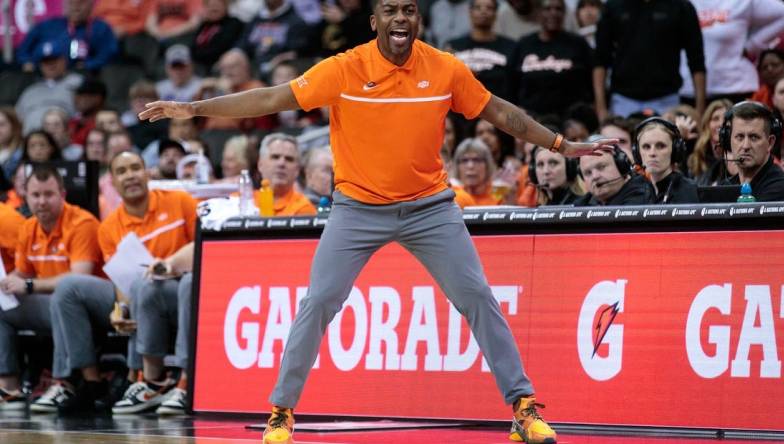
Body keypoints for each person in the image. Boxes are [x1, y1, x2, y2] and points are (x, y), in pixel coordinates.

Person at [139, 0, 615, 440]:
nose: (401, 18)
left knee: (477, 297)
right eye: (390, 10)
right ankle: (281, 411)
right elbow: (269, 99)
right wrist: (195, 109)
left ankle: (524, 408)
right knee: (320, 300)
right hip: (357, 208)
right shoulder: (345, 68)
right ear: (375, 22)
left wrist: (560, 145)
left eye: (409, 9)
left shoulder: (445, 68)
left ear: (420, 20)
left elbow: (502, 114)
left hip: (430, 207)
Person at [48, 151, 197, 415]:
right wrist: (122, 311)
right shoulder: (109, 228)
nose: (130, 176)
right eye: (122, 171)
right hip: (138, 292)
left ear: (147, 173)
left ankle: (152, 380)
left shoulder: (180, 202)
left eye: (135, 168)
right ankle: (89, 382)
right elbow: (121, 278)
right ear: (112, 183)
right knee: (70, 288)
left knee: (148, 286)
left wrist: (172, 263)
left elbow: (202, 245)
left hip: (178, 289)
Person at [0, 166, 102, 412]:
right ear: (26, 198)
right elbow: (23, 272)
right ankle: (8, 386)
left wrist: (29, 285)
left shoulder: (82, 222)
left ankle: (63, 381)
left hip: (89, 305)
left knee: (64, 294)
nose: (42, 201)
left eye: (49, 194)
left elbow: (80, 277)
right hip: (47, 302)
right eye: (36, 195)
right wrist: (6, 283)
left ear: (63, 194)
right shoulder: (28, 227)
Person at [593, 0, 706, 120]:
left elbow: (696, 61)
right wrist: (601, 108)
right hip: (623, 99)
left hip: (667, 100)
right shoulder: (613, 6)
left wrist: (700, 109)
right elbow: (600, 60)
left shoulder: (681, 6)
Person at [679, 0, 784, 106]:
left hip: (735, 88)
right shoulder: (683, 3)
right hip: (687, 90)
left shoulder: (744, 2)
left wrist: (750, 46)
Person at [512, 0, 593, 118]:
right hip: (531, 118)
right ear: (539, 13)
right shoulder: (524, 45)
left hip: (571, 118)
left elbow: (591, 80)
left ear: (564, 13)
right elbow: (511, 83)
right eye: (547, 9)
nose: (553, 13)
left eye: (558, 9)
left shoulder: (578, 44)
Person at [16, 0, 118, 73]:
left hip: (81, 76)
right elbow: (23, 49)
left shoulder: (100, 28)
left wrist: (88, 65)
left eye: (81, 3)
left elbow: (108, 55)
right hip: (41, 75)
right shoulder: (47, 25)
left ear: (91, 4)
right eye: (71, 3)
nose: (76, 7)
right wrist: (26, 62)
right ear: (64, 4)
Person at [446, 0, 518, 102]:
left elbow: (514, 86)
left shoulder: (511, 46)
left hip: (497, 110)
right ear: (470, 12)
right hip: (459, 112)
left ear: (496, 13)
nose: (483, 11)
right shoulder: (453, 46)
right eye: (478, 7)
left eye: (489, 8)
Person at [720, 101, 784, 201]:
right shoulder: (724, 187)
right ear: (729, 140)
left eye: (754, 137)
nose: (746, 146)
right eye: (739, 137)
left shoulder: (782, 187)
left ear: (770, 143)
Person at [15, 40, 83, 135]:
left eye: (54, 59)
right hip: (30, 142)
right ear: (40, 65)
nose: (51, 64)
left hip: (66, 139)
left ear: (64, 60)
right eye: (46, 61)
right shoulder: (30, 90)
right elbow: (17, 119)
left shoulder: (78, 82)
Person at [632, 117, 699, 204]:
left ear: (675, 150)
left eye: (661, 146)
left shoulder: (687, 190)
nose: (652, 153)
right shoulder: (636, 189)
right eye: (646, 147)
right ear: (637, 153)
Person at [575, 145, 657, 206]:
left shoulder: (640, 194)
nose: (595, 176)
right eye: (588, 173)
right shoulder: (583, 203)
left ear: (621, 166)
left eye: (601, 167)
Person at [256, 133, 317, 216]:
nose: (281, 163)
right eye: (275, 157)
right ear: (260, 164)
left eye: (289, 159)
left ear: (297, 170)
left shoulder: (304, 208)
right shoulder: (239, 201)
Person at [687, 99, 733, 184]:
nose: (721, 123)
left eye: (726, 119)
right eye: (715, 119)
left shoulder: (738, 158)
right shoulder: (696, 159)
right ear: (707, 124)